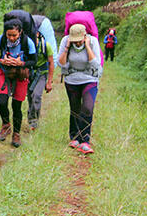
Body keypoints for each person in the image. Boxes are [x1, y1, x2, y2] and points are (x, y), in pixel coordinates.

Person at [0, 19, 38, 148]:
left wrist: (21, 63)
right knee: (2, 101)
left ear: (20, 32)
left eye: (14, 35)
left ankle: (16, 134)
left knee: (16, 106)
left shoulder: (27, 42)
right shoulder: (0, 40)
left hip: (21, 75)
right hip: (5, 73)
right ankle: (6, 125)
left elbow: (33, 61)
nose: (11, 38)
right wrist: (2, 61)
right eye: (9, 35)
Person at [57, 23, 102, 154]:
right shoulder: (66, 41)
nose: (76, 43)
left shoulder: (92, 41)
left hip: (90, 78)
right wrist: (66, 48)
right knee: (75, 108)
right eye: (74, 40)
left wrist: (87, 46)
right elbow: (61, 63)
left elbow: (96, 63)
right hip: (72, 78)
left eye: (79, 40)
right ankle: (75, 137)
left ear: (85, 36)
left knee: (87, 107)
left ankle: (85, 140)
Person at [26, 29, 55, 132]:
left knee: (36, 96)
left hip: (41, 74)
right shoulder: (26, 45)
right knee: (30, 97)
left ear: (38, 34)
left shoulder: (45, 46)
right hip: (29, 75)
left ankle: (34, 121)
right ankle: (31, 118)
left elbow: (51, 63)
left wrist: (49, 82)